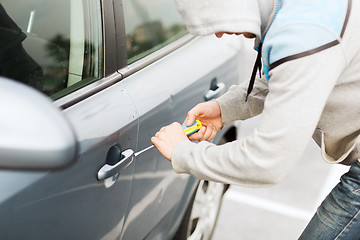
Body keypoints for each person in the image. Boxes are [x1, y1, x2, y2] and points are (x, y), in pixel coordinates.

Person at [151, 0, 360, 238]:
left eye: (216, 20)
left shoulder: (304, 35)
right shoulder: (292, 11)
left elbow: (267, 161)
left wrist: (183, 153)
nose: (219, 34)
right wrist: (224, 108)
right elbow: (289, 78)